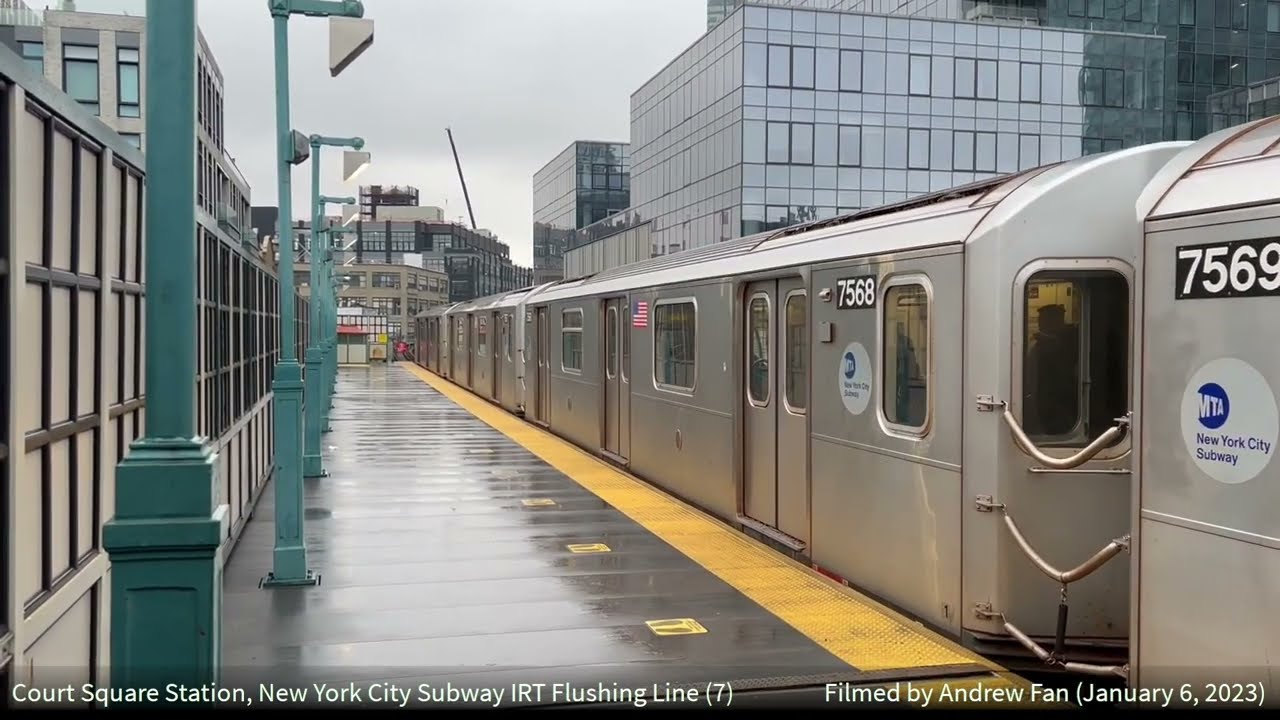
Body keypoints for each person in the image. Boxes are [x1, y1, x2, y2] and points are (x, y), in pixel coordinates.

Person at [1023, 303, 1079, 437]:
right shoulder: (1042, 344)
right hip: (1043, 400)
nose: (1040, 324)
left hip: (1058, 401)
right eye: (1040, 320)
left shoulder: (1070, 342)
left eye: (1044, 320)